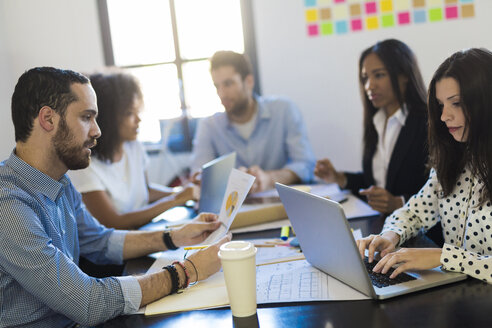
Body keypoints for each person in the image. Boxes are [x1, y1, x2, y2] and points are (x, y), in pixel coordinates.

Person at [0, 66, 230, 327]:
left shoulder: (60, 183)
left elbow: (100, 241)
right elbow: (87, 302)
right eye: (87, 117)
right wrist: (188, 271)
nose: (97, 131)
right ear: (48, 119)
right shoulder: (8, 205)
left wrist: (174, 236)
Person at [357, 48, 492, 284]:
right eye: (440, 105)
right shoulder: (454, 158)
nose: (443, 116)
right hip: (461, 298)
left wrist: (444, 257)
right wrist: (391, 235)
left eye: (456, 103)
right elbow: (414, 212)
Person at [68, 72, 197, 229]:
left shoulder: (133, 146)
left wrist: (182, 192)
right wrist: (176, 199)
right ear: (108, 118)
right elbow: (114, 222)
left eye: (137, 111)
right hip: (120, 244)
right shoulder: (84, 164)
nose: (138, 119)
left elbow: (146, 191)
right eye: (129, 113)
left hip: (147, 231)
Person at [315, 39, 429, 214]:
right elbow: (376, 183)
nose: (369, 86)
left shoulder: (427, 122)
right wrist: (339, 177)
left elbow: (439, 189)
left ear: (404, 75)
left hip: (420, 232)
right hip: (384, 226)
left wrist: (399, 202)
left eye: (379, 75)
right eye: (365, 78)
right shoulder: (377, 121)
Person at [191, 50, 316, 193]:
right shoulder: (209, 126)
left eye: (228, 84)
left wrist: (269, 179)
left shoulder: (283, 110)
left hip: (282, 206)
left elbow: (306, 164)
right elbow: (200, 175)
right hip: (235, 212)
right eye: (216, 86)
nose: (222, 93)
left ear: (249, 81)